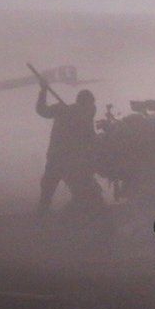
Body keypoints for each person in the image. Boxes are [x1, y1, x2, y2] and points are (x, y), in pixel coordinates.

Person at [35, 84, 103, 216]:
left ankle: (50, 214)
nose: (92, 107)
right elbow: (42, 111)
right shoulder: (71, 110)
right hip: (68, 159)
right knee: (52, 186)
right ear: (87, 102)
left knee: (53, 187)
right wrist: (43, 91)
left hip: (64, 158)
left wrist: (43, 91)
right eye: (90, 104)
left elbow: (42, 110)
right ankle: (47, 214)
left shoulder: (68, 110)